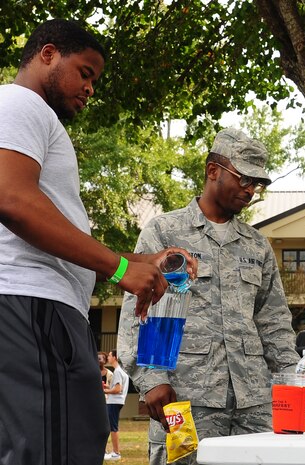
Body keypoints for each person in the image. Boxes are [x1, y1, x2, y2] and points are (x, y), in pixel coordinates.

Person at [0, 19, 195, 465]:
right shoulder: (19, 103)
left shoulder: (37, 119)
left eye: (95, 81)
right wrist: (121, 269)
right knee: (50, 450)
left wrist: (142, 261)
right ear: (47, 54)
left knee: (71, 442)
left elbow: (58, 238)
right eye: (85, 73)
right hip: (30, 307)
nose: (90, 89)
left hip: (45, 311)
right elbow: (11, 200)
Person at [118, 128, 300, 465]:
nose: (250, 190)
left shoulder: (256, 244)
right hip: (184, 398)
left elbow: (274, 323)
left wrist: (293, 379)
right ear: (212, 170)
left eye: (256, 183)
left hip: (254, 403)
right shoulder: (163, 231)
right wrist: (151, 380)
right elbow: (136, 315)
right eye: (243, 178)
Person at [104, 350, 129, 461]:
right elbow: (117, 388)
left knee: (113, 428)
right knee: (112, 427)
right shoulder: (121, 371)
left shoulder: (117, 372)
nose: (108, 357)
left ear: (115, 357)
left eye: (109, 355)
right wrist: (106, 388)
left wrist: (104, 392)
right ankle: (114, 452)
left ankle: (116, 453)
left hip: (114, 402)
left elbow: (118, 390)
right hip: (117, 401)